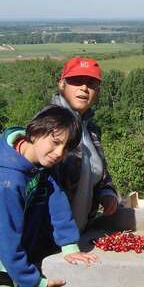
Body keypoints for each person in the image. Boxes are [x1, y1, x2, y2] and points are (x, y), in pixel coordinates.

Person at [0, 105, 98, 287]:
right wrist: (34, 282)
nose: (60, 153)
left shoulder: (40, 163)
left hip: (21, 255)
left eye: (66, 147)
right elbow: (6, 237)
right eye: (55, 142)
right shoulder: (8, 180)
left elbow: (56, 199)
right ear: (36, 132)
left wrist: (68, 244)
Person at [46, 56, 118, 232]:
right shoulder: (49, 125)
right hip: (50, 238)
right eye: (76, 81)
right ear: (62, 84)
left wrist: (107, 193)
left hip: (80, 234)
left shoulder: (90, 129)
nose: (84, 88)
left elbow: (99, 174)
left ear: (98, 90)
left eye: (91, 83)